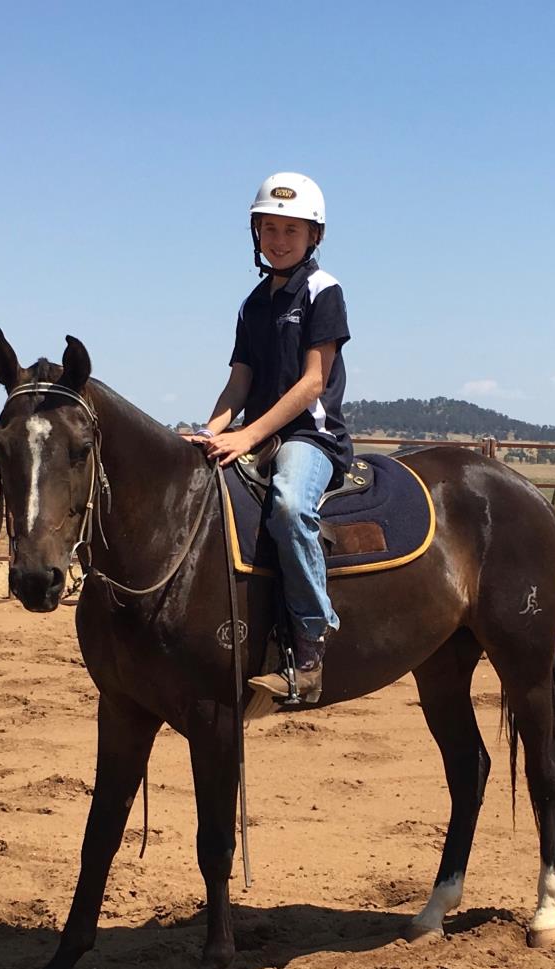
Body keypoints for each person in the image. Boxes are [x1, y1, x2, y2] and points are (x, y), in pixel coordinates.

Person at [190, 171, 353, 702]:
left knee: (288, 507)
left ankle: (310, 643)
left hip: (309, 436)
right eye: (269, 229)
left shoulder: (323, 291)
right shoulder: (252, 304)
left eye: (291, 230)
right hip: (256, 435)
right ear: (255, 233)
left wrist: (248, 435)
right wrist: (209, 431)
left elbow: (312, 383)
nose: (278, 240)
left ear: (313, 236)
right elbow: (240, 381)